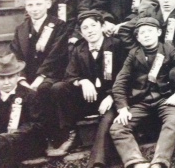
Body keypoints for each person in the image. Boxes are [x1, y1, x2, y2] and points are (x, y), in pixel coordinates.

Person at [110, 17, 175, 168]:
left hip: (164, 100)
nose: (146, 35)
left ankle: (159, 162)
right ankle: (135, 162)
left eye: (150, 31)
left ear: (158, 32)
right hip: (140, 102)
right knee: (117, 128)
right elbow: (120, 82)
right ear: (137, 37)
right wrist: (122, 108)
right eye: (142, 33)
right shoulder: (133, 54)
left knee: (173, 121)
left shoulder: (168, 49)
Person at [47, 10, 125, 162]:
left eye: (93, 26)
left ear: (102, 27)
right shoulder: (79, 49)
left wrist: (112, 96)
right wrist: (82, 81)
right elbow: (69, 75)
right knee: (59, 88)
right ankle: (71, 135)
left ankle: (97, 162)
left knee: (107, 121)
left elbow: (126, 76)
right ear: (81, 33)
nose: (90, 31)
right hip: (89, 99)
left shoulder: (116, 45)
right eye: (85, 28)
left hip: (113, 98)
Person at [9, 0, 69, 151]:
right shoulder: (21, 29)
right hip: (27, 77)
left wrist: (40, 78)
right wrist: (21, 79)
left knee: (43, 90)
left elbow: (56, 55)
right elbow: (16, 55)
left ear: (48, 4)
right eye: (30, 5)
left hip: (53, 74)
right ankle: (25, 141)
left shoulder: (59, 25)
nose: (34, 9)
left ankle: (54, 137)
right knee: (17, 93)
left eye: (38, 4)